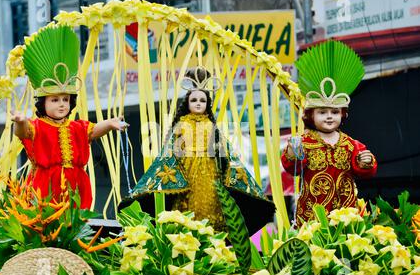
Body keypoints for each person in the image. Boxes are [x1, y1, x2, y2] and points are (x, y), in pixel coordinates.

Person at [123, 67, 274, 234]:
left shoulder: (212, 127)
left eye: (202, 101)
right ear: (188, 103)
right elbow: (169, 154)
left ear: (207, 104)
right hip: (187, 176)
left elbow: (225, 153)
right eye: (194, 100)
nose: (198, 103)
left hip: (211, 176)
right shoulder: (181, 126)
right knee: (186, 211)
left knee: (210, 209)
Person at [11, 25, 128, 209]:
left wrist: (110, 123)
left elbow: (94, 131)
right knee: (48, 225)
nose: (62, 104)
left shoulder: (76, 127)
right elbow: (22, 133)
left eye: (65, 99)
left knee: (77, 223)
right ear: (43, 103)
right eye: (55, 100)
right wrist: (20, 122)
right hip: (46, 186)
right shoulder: (37, 126)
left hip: (76, 185)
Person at [281, 40, 377, 226]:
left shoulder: (351, 144)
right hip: (312, 217)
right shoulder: (304, 141)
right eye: (322, 112)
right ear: (310, 115)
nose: (329, 117)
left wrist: (366, 162)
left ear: (343, 114)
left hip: (346, 214)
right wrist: (292, 155)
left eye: (334, 112)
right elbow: (293, 168)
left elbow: (366, 170)